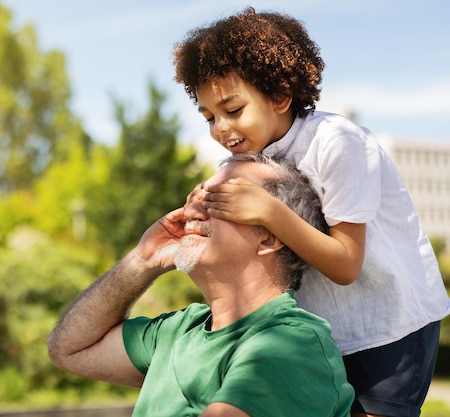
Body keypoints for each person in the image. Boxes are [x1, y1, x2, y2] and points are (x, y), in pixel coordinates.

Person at [172, 7, 450, 417]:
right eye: (209, 117)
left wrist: (270, 211)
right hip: (323, 329)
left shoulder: (336, 142)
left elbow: (346, 264)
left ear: (281, 96)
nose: (220, 129)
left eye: (233, 110)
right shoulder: (254, 159)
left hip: (389, 325)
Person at [47, 153, 354, 417]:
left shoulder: (293, 344)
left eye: (220, 201)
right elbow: (68, 349)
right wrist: (142, 260)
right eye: (195, 197)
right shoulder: (177, 331)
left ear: (270, 236)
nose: (191, 212)